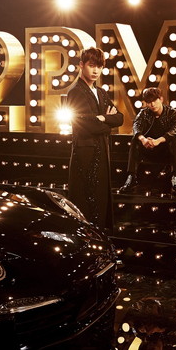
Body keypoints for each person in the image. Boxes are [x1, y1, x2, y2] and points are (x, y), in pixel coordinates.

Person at [67, 47, 124, 231]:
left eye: (99, 66)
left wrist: (102, 118)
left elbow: (120, 118)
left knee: (100, 198)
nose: (96, 70)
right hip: (85, 153)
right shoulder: (76, 92)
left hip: (101, 151)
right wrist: (106, 122)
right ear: (81, 65)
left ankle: (99, 234)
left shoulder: (101, 92)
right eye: (92, 65)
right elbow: (88, 125)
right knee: (85, 198)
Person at [121, 87, 176, 194]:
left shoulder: (173, 113)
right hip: (148, 148)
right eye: (149, 102)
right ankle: (131, 176)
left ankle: (175, 178)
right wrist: (143, 139)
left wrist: (158, 141)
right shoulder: (144, 113)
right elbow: (136, 126)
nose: (152, 104)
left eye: (154, 100)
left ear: (161, 99)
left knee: (175, 140)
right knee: (135, 140)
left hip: (165, 149)